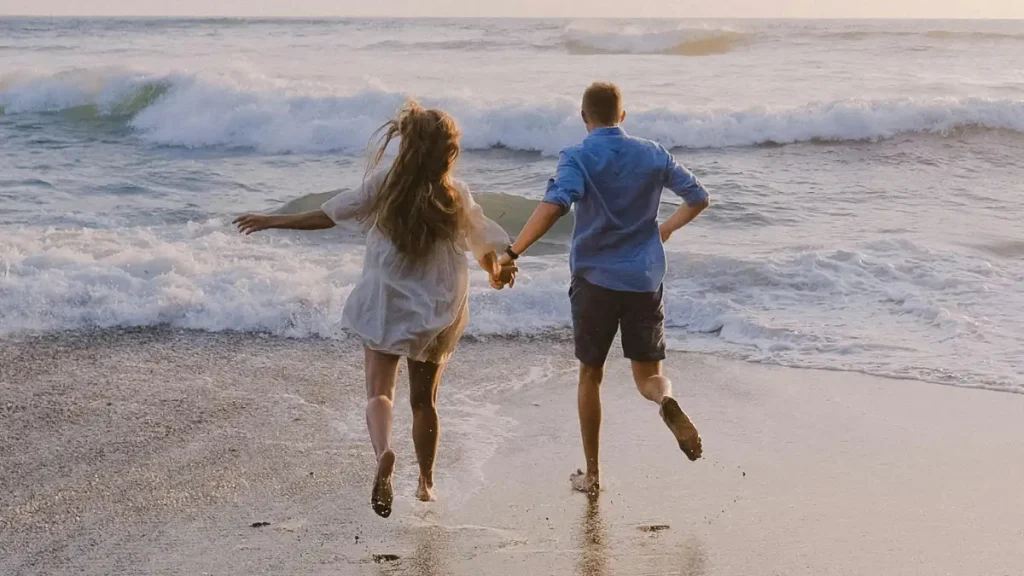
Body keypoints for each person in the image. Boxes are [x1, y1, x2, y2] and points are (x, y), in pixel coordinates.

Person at [234, 102, 516, 518]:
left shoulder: (386, 184)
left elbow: (331, 213)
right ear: (448, 152)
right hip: (438, 305)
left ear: (408, 145)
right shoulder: (456, 193)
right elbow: (482, 243)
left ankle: (384, 451)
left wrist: (273, 220)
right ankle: (426, 483)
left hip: (387, 300)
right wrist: (495, 272)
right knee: (424, 401)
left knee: (379, 391)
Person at [500, 82, 709, 495]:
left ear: (584, 117)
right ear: (623, 116)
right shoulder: (653, 153)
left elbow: (556, 203)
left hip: (595, 282)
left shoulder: (577, 155)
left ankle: (593, 475)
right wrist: (663, 229)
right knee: (649, 376)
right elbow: (698, 197)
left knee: (590, 375)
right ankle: (667, 401)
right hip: (644, 280)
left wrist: (514, 251)